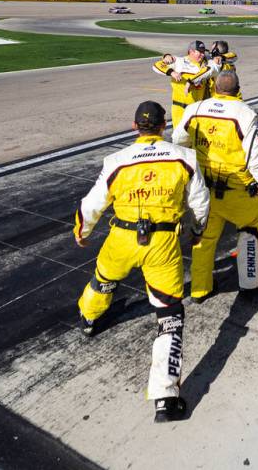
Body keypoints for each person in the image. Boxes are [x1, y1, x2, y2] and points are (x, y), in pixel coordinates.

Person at [73, 101, 210, 423]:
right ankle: (165, 397)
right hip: (162, 242)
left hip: (121, 237)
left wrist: (82, 231)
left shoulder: (116, 160)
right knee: (169, 313)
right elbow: (200, 202)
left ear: (135, 126)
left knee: (102, 281)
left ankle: (89, 320)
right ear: (163, 125)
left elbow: (92, 203)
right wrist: (198, 230)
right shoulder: (184, 157)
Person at [172, 71, 258, 303]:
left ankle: (199, 289)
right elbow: (256, 152)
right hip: (237, 189)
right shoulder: (245, 114)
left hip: (204, 188)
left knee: (203, 239)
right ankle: (250, 283)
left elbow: (178, 140)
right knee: (248, 233)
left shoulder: (195, 109)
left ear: (214, 86)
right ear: (238, 89)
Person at [152, 41, 213, 128]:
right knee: (180, 139)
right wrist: (171, 72)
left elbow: (228, 57)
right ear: (191, 51)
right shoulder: (179, 61)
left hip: (197, 110)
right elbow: (156, 66)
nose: (202, 54)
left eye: (203, 52)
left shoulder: (207, 63)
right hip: (180, 109)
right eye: (200, 52)